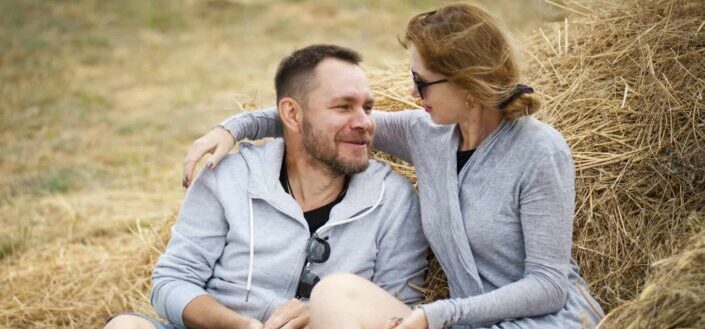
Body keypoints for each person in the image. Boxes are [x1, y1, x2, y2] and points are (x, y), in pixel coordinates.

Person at [182, 4, 606, 329]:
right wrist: (233, 129)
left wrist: (439, 314)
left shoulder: (539, 149)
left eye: (422, 81)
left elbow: (549, 286)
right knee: (335, 294)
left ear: (467, 82)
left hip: (548, 322)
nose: (413, 91)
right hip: (462, 323)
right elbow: (318, 122)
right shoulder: (428, 134)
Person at [104, 44, 428, 329]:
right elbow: (171, 283)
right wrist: (239, 325)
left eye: (368, 108)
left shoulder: (394, 199)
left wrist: (326, 312)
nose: (365, 122)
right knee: (125, 326)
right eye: (343, 107)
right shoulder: (228, 176)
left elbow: (401, 309)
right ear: (291, 114)